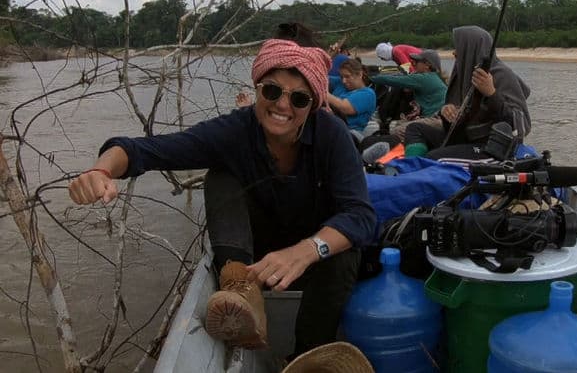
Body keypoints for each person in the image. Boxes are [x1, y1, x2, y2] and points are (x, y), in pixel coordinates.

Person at [67, 39, 377, 357]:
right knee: (221, 175)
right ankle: (240, 288)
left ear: (311, 104)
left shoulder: (331, 135)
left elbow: (361, 216)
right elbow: (145, 150)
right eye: (272, 91)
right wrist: (101, 171)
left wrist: (306, 250)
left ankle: (306, 357)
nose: (283, 106)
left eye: (298, 98)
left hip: (316, 256)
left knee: (344, 250)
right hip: (253, 257)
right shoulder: (233, 131)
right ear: (257, 88)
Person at [403, 25, 531, 160]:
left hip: (491, 145)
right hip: (465, 138)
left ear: (471, 49)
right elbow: (457, 122)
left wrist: (491, 94)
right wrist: (446, 111)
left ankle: (417, 172)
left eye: (458, 48)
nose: (454, 53)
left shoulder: (502, 75)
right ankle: (411, 168)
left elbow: (522, 126)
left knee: (434, 157)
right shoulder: (464, 73)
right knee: (414, 129)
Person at [360, 50, 447, 162]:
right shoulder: (434, 77)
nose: (413, 64)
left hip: (435, 119)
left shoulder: (426, 78)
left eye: (417, 62)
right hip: (435, 118)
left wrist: (369, 77)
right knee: (397, 126)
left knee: (398, 130)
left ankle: (408, 158)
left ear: (427, 65)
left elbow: (393, 80)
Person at [327, 58, 377, 143]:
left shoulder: (368, 94)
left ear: (360, 74)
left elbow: (344, 107)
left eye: (347, 76)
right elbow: (321, 77)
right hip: (331, 126)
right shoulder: (341, 83)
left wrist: (322, 93)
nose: (343, 81)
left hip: (350, 134)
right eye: (341, 76)